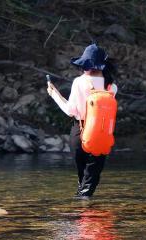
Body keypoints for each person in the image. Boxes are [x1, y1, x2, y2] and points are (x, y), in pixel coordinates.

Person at [47, 43, 117, 199]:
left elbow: (70, 111)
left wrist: (54, 94)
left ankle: (81, 214)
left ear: (86, 65)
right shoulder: (112, 87)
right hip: (102, 135)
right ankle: (88, 213)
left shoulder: (79, 82)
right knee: (90, 182)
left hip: (80, 132)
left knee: (82, 181)